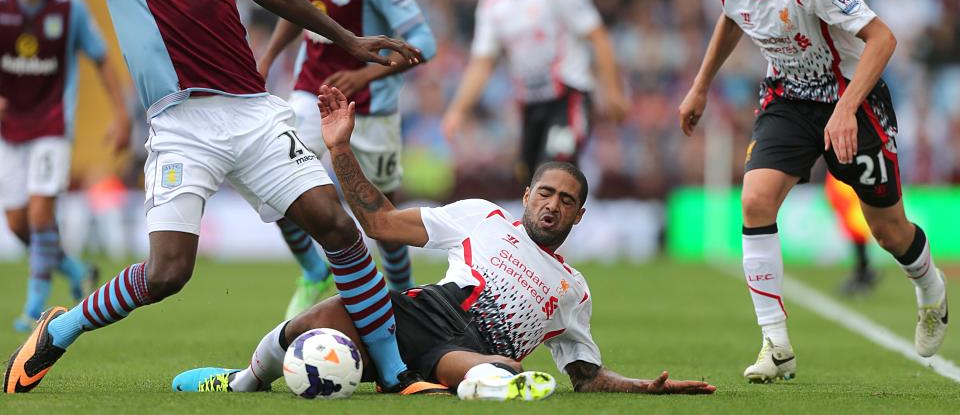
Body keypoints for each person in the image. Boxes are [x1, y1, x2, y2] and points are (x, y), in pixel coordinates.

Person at [1, 0, 440, 395]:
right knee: (167, 274)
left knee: (337, 225)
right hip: (181, 124)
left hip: (254, 113)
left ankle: (393, 372)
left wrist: (348, 41)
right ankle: (59, 331)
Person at [171, 85, 717, 400]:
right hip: (417, 313)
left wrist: (646, 389)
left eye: (566, 200)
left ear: (579, 213)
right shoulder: (481, 216)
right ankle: (244, 382)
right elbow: (381, 223)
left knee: (489, 368)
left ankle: (493, 384)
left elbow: (585, 376)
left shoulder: (573, 290)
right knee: (322, 317)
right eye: (545, 193)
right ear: (526, 196)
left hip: (467, 348)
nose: (553, 205)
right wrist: (339, 150)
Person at [678, 0, 948, 383]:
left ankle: (930, 287)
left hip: (853, 100)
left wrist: (846, 109)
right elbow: (732, 19)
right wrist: (700, 86)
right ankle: (776, 344)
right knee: (755, 201)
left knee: (888, 231)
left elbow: (881, 38)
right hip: (788, 100)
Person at [257, 0, 436, 319]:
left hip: (370, 110)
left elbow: (423, 42)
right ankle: (313, 271)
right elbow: (293, 14)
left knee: (385, 223)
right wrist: (263, 63)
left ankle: (405, 306)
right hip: (310, 95)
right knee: (274, 185)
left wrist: (363, 73)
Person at [441, 0, 628, 182]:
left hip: (568, 96)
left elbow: (597, 35)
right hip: (529, 104)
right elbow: (482, 63)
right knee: (530, 183)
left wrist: (612, 90)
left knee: (554, 172)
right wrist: (457, 110)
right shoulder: (491, 3)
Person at [1, 0, 129, 331]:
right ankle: (77, 270)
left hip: (53, 125)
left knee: (41, 215)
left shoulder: (69, 8)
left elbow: (102, 58)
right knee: (18, 225)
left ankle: (34, 308)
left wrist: (121, 116)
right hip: (9, 129)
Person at [824, 172, 878, 296]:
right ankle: (863, 270)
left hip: (846, 177)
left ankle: (863, 272)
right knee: (855, 231)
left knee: (857, 229)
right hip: (843, 176)